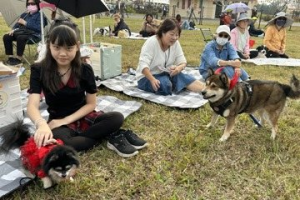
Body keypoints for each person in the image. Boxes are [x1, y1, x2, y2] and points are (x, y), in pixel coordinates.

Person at [27, 25, 148, 158]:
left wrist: (67, 120)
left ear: (77, 46)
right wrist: (42, 124)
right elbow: (32, 105)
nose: (62, 53)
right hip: (57, 121)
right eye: (57, 47)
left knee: (117, 117)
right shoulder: (39, 69)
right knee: (63, 143)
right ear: (49, 46)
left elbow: (91, 104)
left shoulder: (84, 69)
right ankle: (110, 135)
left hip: (84, 116)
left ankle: (102, 135)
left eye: (69, 48)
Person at [136, 18, 205, 96]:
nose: (174, 38)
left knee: (182, 76)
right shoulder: (151, 42)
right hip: (147, 77)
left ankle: (206, 90)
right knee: (165, 85)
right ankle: (174, 84)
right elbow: (143, 65)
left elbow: (182, 62)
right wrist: (152, 79)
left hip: (166, 73)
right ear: (163, 32)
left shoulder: (175, 43)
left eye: (177, 35)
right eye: (172, 34)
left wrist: (178, 68)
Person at [3, 0, 43, 66]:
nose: (30, 5)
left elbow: (39, 28)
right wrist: (14, 30)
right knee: (7, 36)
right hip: (21, 33)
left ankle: (19, 59)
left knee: (20, 37)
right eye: (28, 4)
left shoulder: (41, 16)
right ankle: (11, 58)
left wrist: (26, 23)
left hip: (34, 35)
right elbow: (17, 25)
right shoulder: (24, 15)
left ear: (37, 4)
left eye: (32, 3)